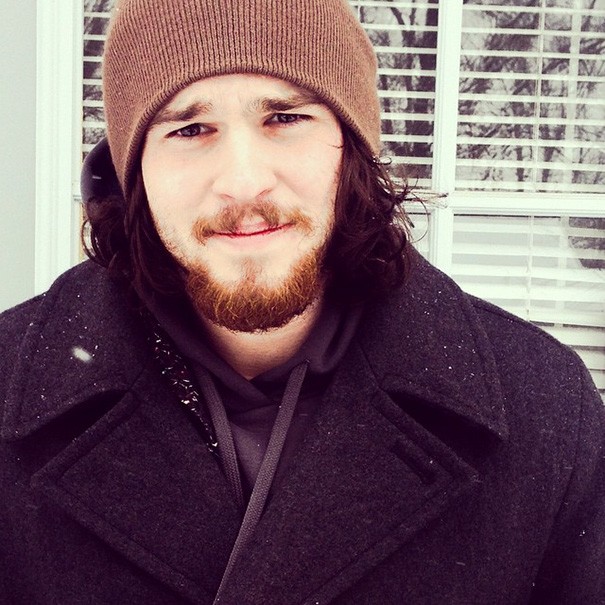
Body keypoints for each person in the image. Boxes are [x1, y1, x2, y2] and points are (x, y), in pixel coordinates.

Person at [0, 0, 603, 603]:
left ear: (351, 148)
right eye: (189, 129)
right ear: (135, 173)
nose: (243, 182)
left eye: (285, 118)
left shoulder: (543, 411)